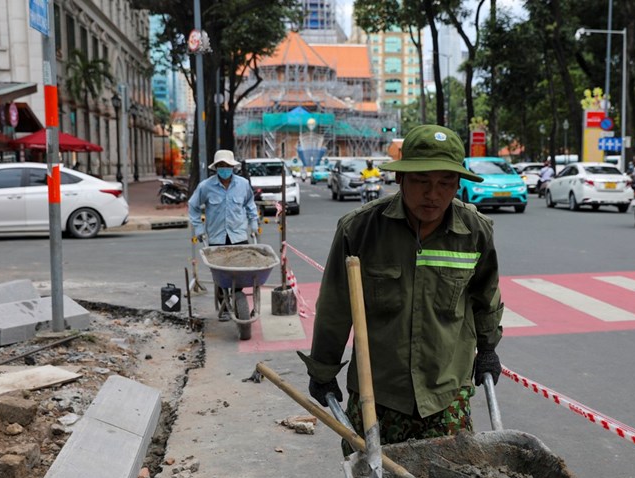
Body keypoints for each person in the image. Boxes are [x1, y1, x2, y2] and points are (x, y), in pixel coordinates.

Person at [298, 124, 504, 452]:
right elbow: (336, 307)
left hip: (446, 393)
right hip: (377, 392)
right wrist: (323, 368)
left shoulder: (475, 232)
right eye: (422, 181)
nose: (433, 194)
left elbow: (485, 296)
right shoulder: (360, 230)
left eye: (445, 183)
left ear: (458, 184)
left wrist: (489, 349)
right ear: (400, 178)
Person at [188, 149, 259, 322]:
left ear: (233, 167)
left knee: (240, 272)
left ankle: (238, 300)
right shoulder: (206, 186)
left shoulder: (242, 184)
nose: (224, 168)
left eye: (227, 165)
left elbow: (250, 203)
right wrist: (198, 228)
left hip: (239, 236)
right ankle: (224, 306)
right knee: (220, 275)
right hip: (217, 237)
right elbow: (193, 206)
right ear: (216, 168)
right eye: (221, 166)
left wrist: (254, 222)